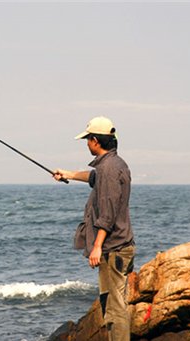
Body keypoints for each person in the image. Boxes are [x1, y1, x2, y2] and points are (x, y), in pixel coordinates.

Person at [53, 116, 135, 341]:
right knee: (114, 304)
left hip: (112, 248)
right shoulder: (114, 164)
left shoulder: (108, 170)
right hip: (120, 245)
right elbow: (93, 177)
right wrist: (68, 174)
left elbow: (107, 214)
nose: (87, 143)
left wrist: (97, 246)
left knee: (114, 310)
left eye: (88, 139)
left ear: (96, 141)